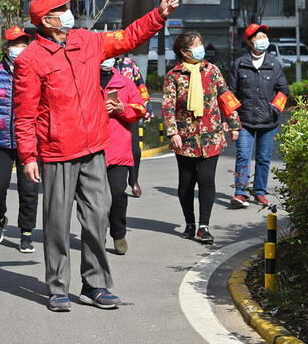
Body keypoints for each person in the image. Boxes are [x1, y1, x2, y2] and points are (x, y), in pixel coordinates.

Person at [14, 0, 180, 312]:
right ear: (46, 20)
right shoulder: (30, 60)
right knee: (58, 224)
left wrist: (158, 15)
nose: (68, 14)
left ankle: (95, 284)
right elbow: (24, 114)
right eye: (61, 10)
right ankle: (58, 287)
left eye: (67, 8)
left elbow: (128, 38)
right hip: (58, 151)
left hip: (93, 148)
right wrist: (28, 155)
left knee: (97, 215)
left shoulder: (87, 42)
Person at [162, 30, 241, 244]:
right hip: (185, 138)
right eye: (195, 45)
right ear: (183, 51)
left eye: (200, 43)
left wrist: (234, 125)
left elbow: (226, 98)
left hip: (211, 135)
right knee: (186, 183)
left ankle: (203, 226)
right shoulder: (174, 76)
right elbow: (168, 106)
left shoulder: (212, 71)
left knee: (206, 180)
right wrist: (173, 132)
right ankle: (189, 222)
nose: (200, 48)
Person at [0, 26, 40, 253]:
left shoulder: (37, 70)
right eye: (15, 45)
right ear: (6, 49)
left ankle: (26, 232)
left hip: (29, 141)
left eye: (24, 45)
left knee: (29, 190)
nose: (20, 50)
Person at [228, 23, 289, 208]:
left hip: (268, 122)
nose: (263, 40)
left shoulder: (274, 64)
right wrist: (230, 121)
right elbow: (229, 93)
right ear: (250, 42)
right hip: (244, 121)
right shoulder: (240, 64)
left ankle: (260, 193)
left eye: (264, 37)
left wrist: (275, 110)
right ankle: (240, 193)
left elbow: (284, 90)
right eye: (259, 37)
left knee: (263, 159)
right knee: (243, 156)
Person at [100, 57, 147, 255]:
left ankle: (118, 233)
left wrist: (122, 109)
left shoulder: (125, 83)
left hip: (117, 149)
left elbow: (140, 109)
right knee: (94, 199)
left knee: (117, 194)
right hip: (91, 149)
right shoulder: (84, 80)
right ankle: (96, 235)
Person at [112, 55, 152, 197]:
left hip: (129, 111)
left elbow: (140, 85)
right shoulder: (96, 62)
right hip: (108, 115)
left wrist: (147, 109)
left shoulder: (129, 64)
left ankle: (134, 180)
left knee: (134, 149)